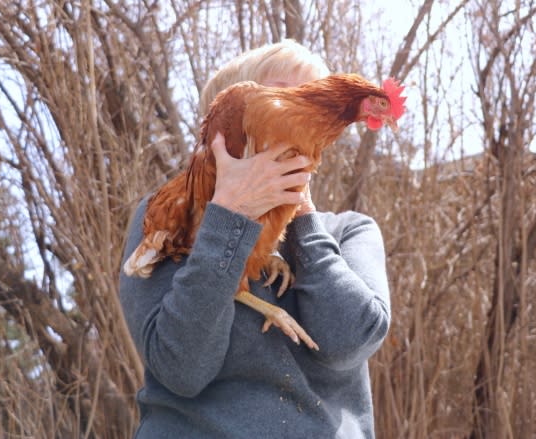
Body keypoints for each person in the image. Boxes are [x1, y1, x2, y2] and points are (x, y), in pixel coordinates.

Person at [119, 39, 391, 439]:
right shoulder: (171, 215)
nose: (304, 111)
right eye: (286, 95)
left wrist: (302, 218)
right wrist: (230, 217)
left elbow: (349, 341)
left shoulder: (348, 230)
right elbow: (182, 368)